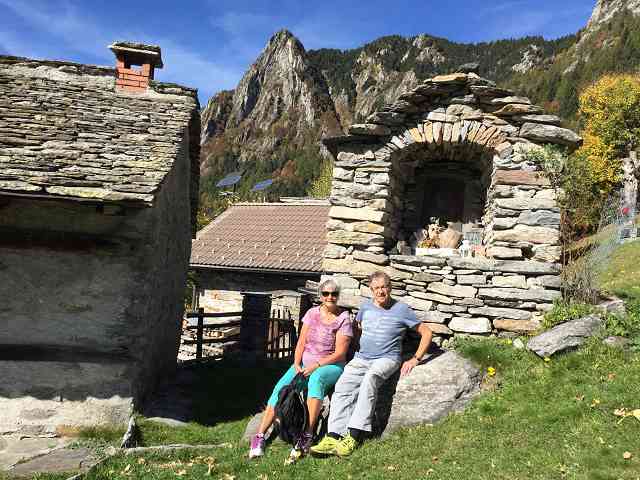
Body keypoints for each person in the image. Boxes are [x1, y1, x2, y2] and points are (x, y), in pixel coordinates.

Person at [310, 271, 432, 457]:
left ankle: (353, 435)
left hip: (387, 359)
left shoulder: (402, 309)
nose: (381, 291)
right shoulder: (366, 307)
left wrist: (416, 359)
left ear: (390, 287)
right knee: (343, 385)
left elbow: (426, 332)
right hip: (362, 357)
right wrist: (357, 349)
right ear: (371, 290)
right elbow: (357, 329)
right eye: (376, 288)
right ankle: (334, 435)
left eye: (384, 287)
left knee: (370, 380)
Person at [249, 279, 353, 461]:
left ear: (338, 296)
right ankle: (259, 437)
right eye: (326, 294)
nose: (330, 297)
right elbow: (301, 343)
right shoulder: (312, 314)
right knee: (281, 388)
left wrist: (316, 366)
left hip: (330, 365)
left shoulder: (343, 319)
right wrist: (297, 364)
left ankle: (307, 435)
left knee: (316, 379)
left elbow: (340, 353)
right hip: (304, 365)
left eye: (334, 294)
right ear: (320, 296)